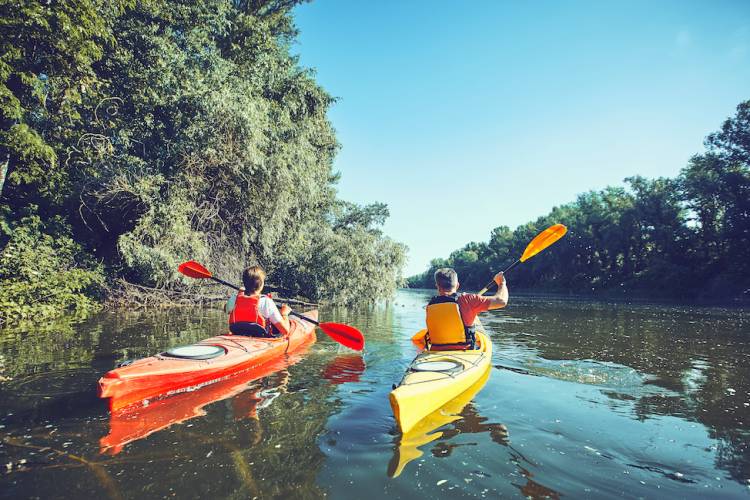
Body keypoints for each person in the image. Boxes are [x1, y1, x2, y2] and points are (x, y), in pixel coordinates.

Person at [425, 267, 508, 350]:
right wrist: (501, 283)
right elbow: (502, 301)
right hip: (465, 351)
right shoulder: (468, 299)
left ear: (437, 286)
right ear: (457, 285)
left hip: (435, 351)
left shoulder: (430, 305)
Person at [224, 266, 292, 337]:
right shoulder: (266, 302)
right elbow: (285, 331)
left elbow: (226, 309)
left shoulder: (234, 298)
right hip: (260, 339)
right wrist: (284, 314)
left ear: (244, 283)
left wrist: (240, 294)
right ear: (262, 284)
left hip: (238, 334)